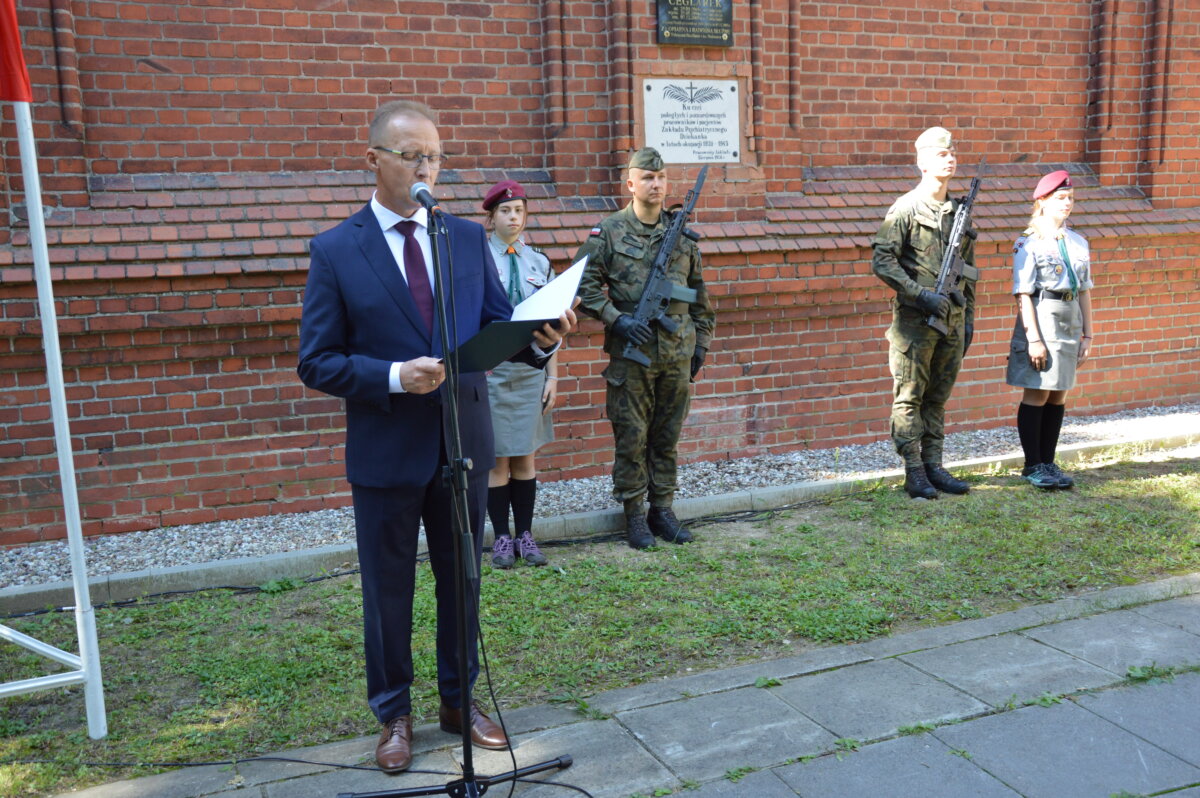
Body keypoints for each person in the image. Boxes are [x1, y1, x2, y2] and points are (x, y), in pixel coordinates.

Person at [296, 100, 574, 774]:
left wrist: (540, 337)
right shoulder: (337, 250)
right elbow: (317, 361)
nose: (427, 169)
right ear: (374, 160)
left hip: (462, 442)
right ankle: (393, 713)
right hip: (386, 446)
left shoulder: (463, 239)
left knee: (463, 577)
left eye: (435, 157)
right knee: (388, 589)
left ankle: (458, 700)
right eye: (413, 156)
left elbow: (498, 327)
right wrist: (394, 376)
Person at [575, 147, 716, 549]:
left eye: (661, 177)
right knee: (632, 436)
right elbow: (581, 285)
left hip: (676, 353)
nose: (656, 184)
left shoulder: (681, 235)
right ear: (631, 184)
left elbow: (699, 296)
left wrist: (701, 344)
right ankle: (635, 514)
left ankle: (663, 510)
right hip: (631, 355)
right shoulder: (609, 232)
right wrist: (616, 318)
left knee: (667, 436)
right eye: (648, 178)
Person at [871, 126, 978, 500]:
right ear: (923, 163)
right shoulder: (906, 208)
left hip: (951, 320)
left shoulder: (959, 213)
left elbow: (968, 270)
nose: (950, 159)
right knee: (910, 397)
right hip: (916, 323)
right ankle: (914, 471)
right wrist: (920, 295)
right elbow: (882, 261)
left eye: (952, 153)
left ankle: (934, 465)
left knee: (938, 397)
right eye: (941, 154)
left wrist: (969, 318)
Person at [481, 179, 557, 568]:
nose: (514, 217)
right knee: (497, 460)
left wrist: (553, 377)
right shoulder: (477, 259)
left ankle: (526, 535)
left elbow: (553, 324)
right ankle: (501, 537)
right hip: (492, 373)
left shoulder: (538, 262)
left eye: (520, 211)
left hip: (530, 372)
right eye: (506, 211)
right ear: (491, 217)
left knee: (525, 456)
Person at [1005, 170, 1094, 489]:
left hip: (1070, 319)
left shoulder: (1078, 242)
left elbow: (1084, 289)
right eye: (1060, 198)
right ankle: (1033, 465)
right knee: (1039, 389)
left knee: (1059, 391)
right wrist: (1033, 339)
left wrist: (1088, 334)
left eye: (1070, 198)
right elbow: (1022, 293)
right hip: (1042, 317)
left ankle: (1048, 461)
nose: (1067, 203)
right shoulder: (1029, 242)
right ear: (1042, 202)